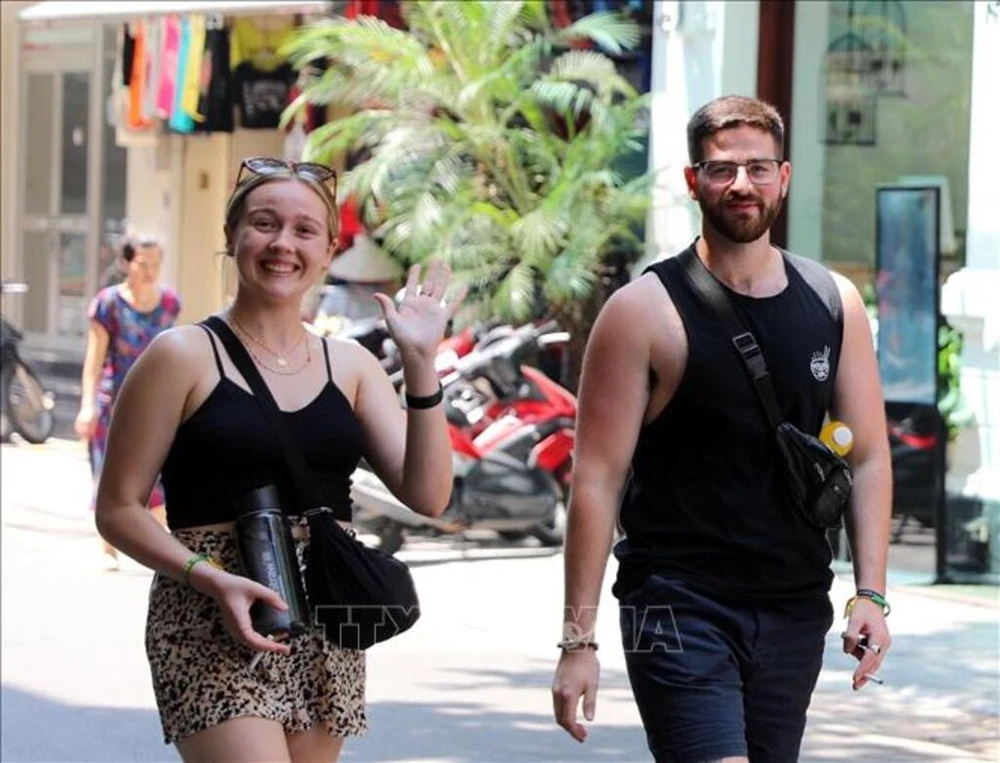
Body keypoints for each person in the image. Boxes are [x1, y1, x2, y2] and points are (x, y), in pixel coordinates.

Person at [552, 95, 893, 762]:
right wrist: (577, 641)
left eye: (758, 168)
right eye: (721, 169)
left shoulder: (832, 301)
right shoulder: (642, 311)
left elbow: (872, 457)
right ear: (693, 182)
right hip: (675, 603)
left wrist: (872, 592)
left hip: (794, 607)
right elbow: (595, 478)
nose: (742, 184)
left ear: (785, 178)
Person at [94, 156, 462, 762]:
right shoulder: (180, 356)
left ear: (328, 249)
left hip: (326, 614)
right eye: (264, 224)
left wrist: (421, 363)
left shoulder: (352, 366)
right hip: (209, 614)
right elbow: (118, 509)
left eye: (303, 230)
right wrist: (210, 578)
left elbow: (428, 494)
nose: (282, 244)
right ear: (233, 235)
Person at [76, 235, 181, 568]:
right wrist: (87, 405)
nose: (150, 272)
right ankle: (107, 547)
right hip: (113, 404)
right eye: (142, 264)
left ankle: (166, 551)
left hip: (156, 404)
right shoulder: (108, 304)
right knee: (109, 475)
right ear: (126, 263)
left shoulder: (169, 304)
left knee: (159, 478)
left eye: (155, 265)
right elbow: (94, 361)